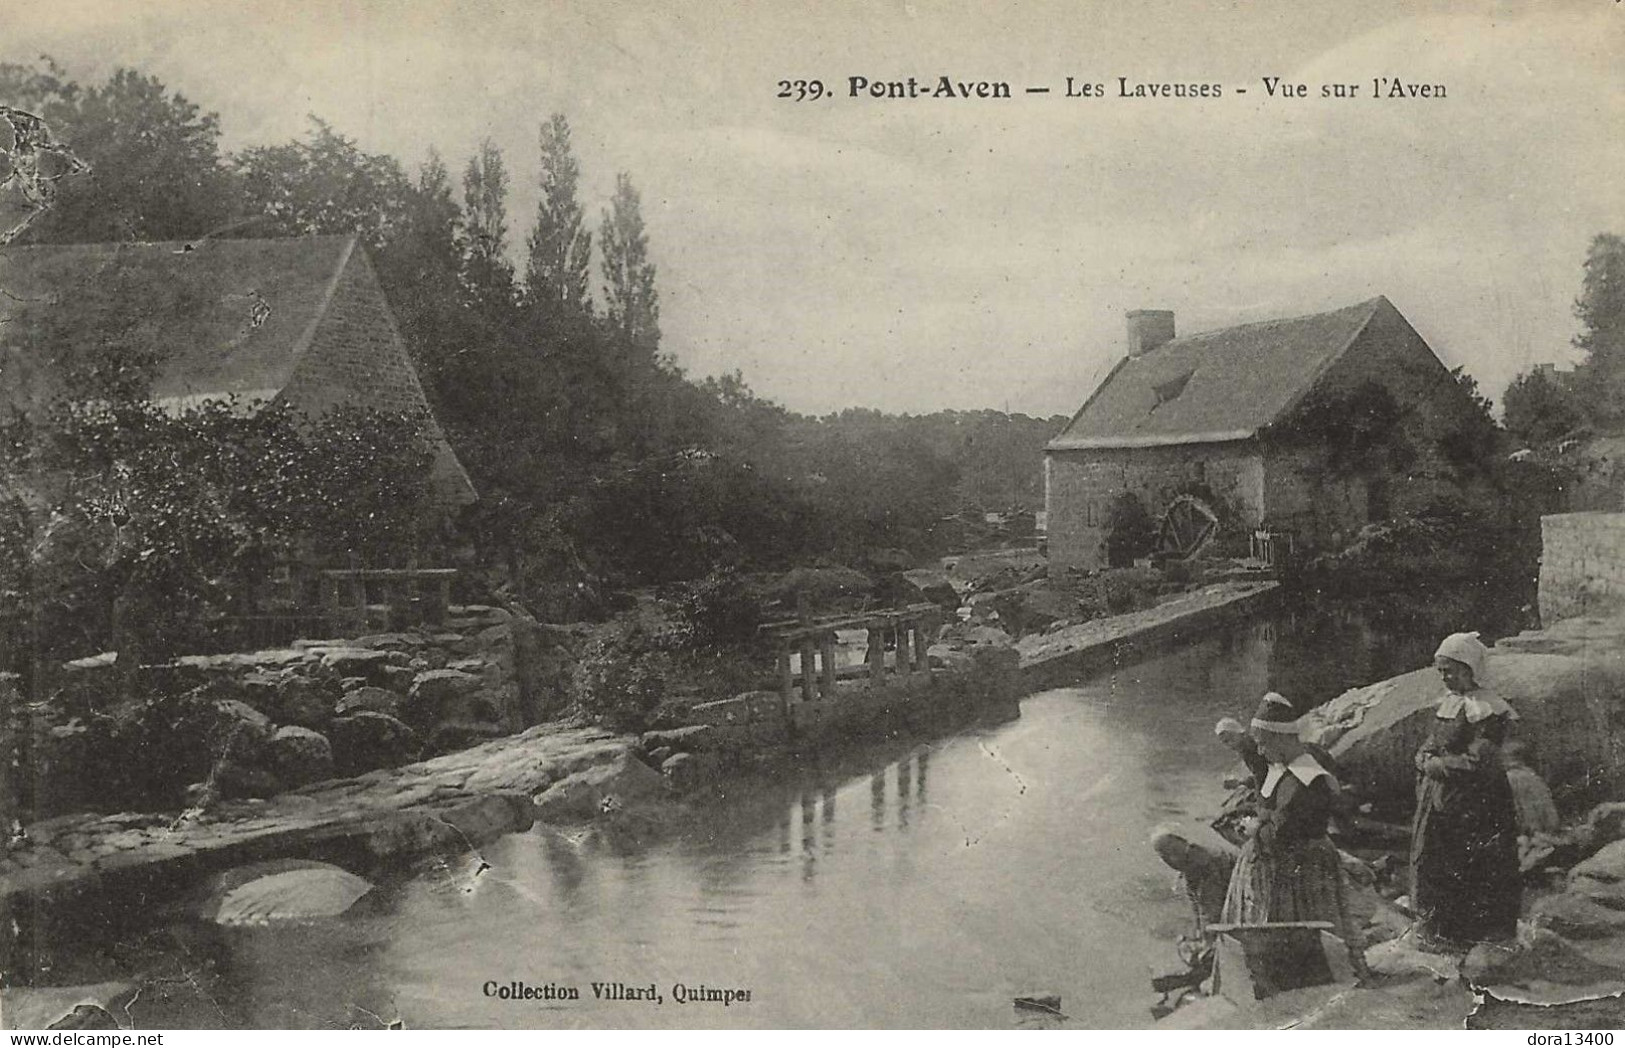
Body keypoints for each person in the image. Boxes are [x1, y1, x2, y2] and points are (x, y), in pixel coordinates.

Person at [1220, 693, 1368, 973]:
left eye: (1263, 744)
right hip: (1286, 860)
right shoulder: (1284, 768)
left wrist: (1254, 827)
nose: (1259, 751)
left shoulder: (1303, 779)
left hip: (1298, 867)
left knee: (1300, 927)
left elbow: (1280, 834)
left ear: (1280, 740)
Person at [1410, 631, 1522, 948]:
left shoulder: (1489, 710)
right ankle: (1441, 931)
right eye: (1441, 671)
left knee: (1473, 865)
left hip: (1476, 803)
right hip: (1442, 799)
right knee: (1436, 860)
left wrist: (1437, 766)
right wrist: (1423, 755)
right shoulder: (1449, 704)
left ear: (1469, 669)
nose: (1444, 677)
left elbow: (1480, 761)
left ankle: (1474, 936)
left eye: (1450, 670)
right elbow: (1434, 742)